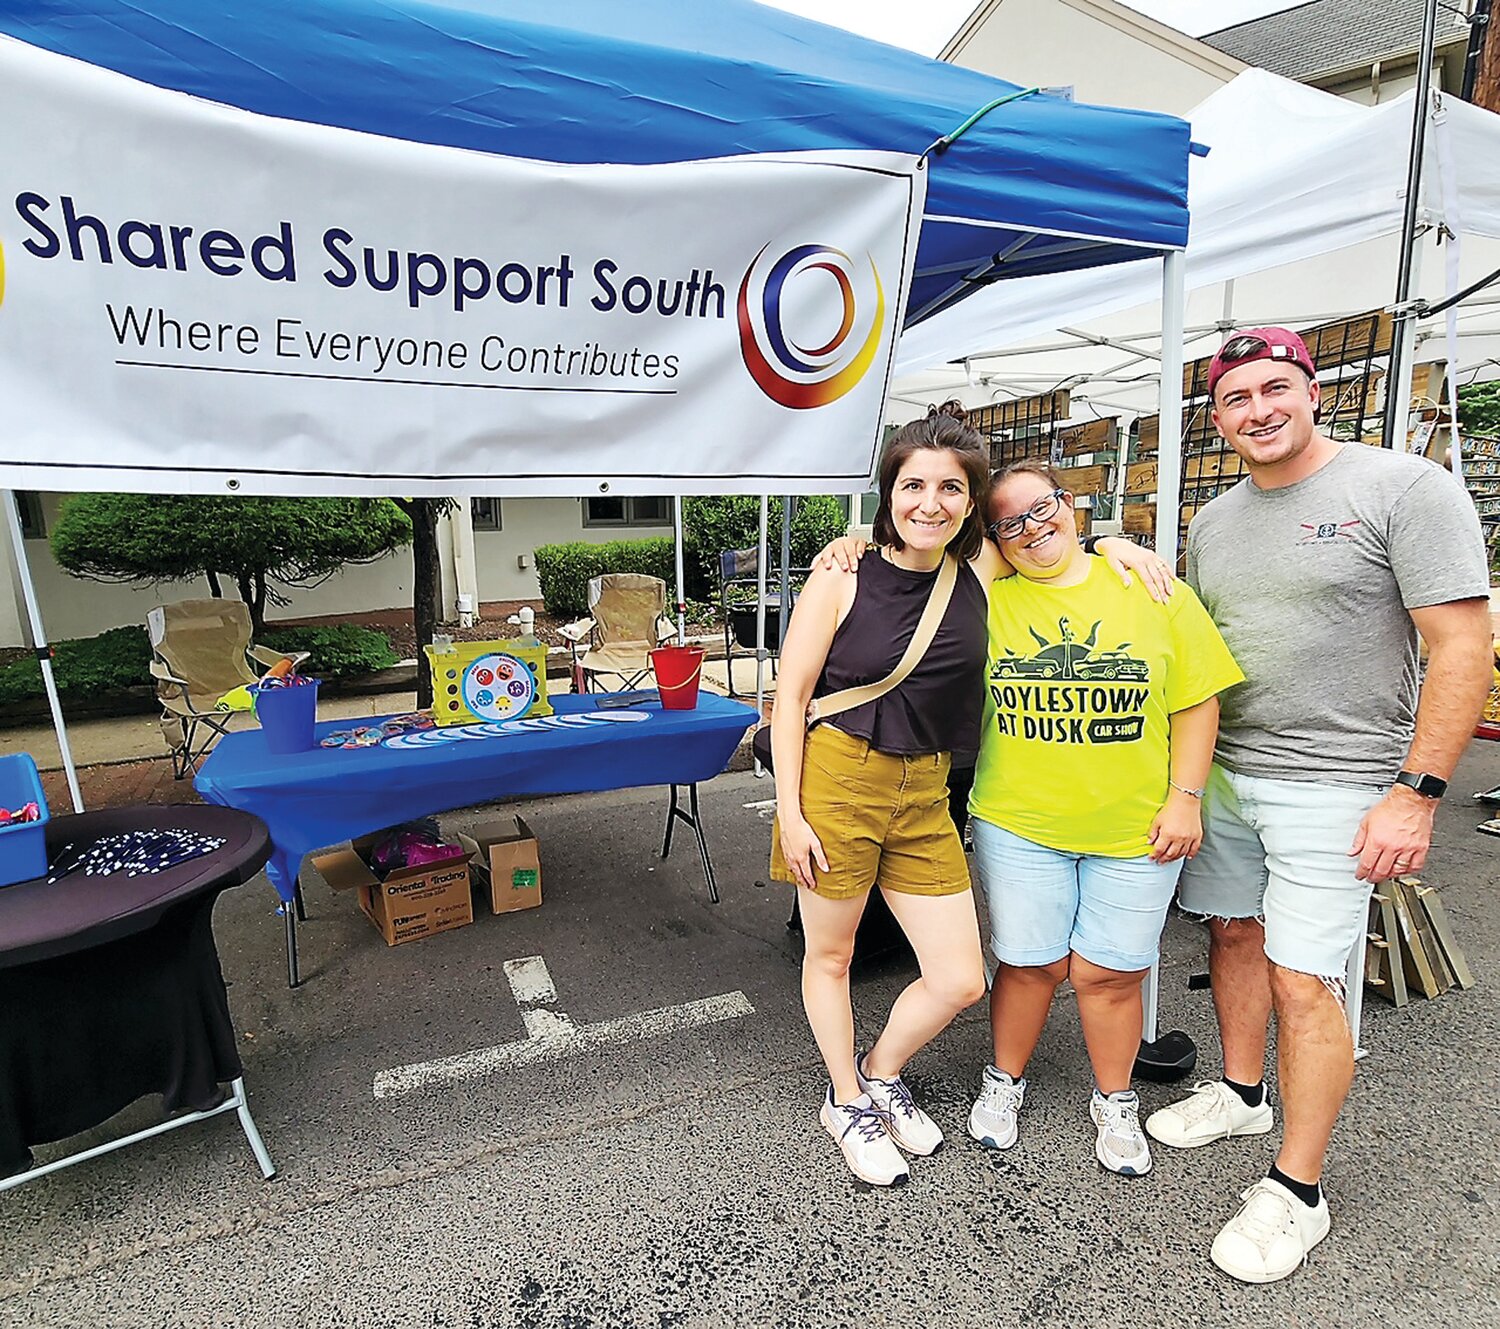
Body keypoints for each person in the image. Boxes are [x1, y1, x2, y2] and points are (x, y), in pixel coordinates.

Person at [1141, 328, 1493, 1283]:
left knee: (1307, 979)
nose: (1257, 410)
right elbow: (1196, 648)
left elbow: (1463, 649)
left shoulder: (1403, 488)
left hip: (1339, 782)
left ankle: (1297, 1190)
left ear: (1313, 391)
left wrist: (1417, 794)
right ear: (1216, 420)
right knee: (1232, 937)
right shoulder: (1213, 523)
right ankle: (1244, 1090)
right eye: (1234, 399)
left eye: (1275, 388)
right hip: (1228, 773)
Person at [775, 404, 1172, 1187]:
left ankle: (882, 1067)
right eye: (913, 484)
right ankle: (846, 1097)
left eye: (950, 488)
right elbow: (789, 699)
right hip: (836, 778)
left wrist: (1112, 543)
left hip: (925, 787)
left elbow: (1048, 541)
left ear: (969, 498)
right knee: (833, 953)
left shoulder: (977, 570)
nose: (930, 502)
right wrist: (790, 811)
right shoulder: (842, 573)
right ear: (888, 491)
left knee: (960, 976)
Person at [964, 460, 1242, 1178]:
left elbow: (1197, 700)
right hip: (1019, 819)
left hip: (1138, 824)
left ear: (1072, 502)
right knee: (1027, 962)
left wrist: (1185, 796)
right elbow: (926, 557)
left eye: (1044, 507)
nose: (1033, 527)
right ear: (995, 537)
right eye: (1011, 521)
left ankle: (1115, 1098)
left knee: (1111, 972)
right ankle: (1005, 1080)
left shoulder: (1151, 586)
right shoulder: (988, 596)